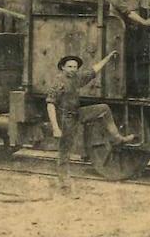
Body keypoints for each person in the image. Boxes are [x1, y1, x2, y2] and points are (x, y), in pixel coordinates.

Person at [46, 51, 136, 194]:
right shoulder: (59, 82)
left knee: (103, 108)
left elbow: (93, 70)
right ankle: (65, 188)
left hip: (77, 113)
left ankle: (117, 139)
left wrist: (107, 58)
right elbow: (50, 104)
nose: (72, 69)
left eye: (75, 67)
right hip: (65, 119)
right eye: (69, 67)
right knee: (64, 153)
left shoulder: (76, 78)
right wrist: (56, 128)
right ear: (63, 67)